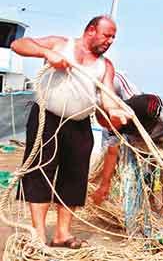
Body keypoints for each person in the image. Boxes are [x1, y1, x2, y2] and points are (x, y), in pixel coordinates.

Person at [10, 15, 130, 248]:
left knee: (75, 178)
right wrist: (46, 54)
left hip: (79, 124)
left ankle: (62, 234)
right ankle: (38, 234)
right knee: (39, 172)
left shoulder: (105, 66)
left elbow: (107, 98)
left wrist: (115, 112)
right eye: (108, 35)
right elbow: (18, 45)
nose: (111, 41)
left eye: (114, 37)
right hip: (47, 117)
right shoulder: (60, 44)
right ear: (92, 30)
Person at [92, 94, 163, 218]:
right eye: (105, 127)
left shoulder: (145, 105)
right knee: (145, 169)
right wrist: (104, 185)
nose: (109, 129)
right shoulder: (112, 127)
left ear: (116, 114)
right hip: (146, 134)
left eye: (109, 124)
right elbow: (112, 153)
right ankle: (150, 205)